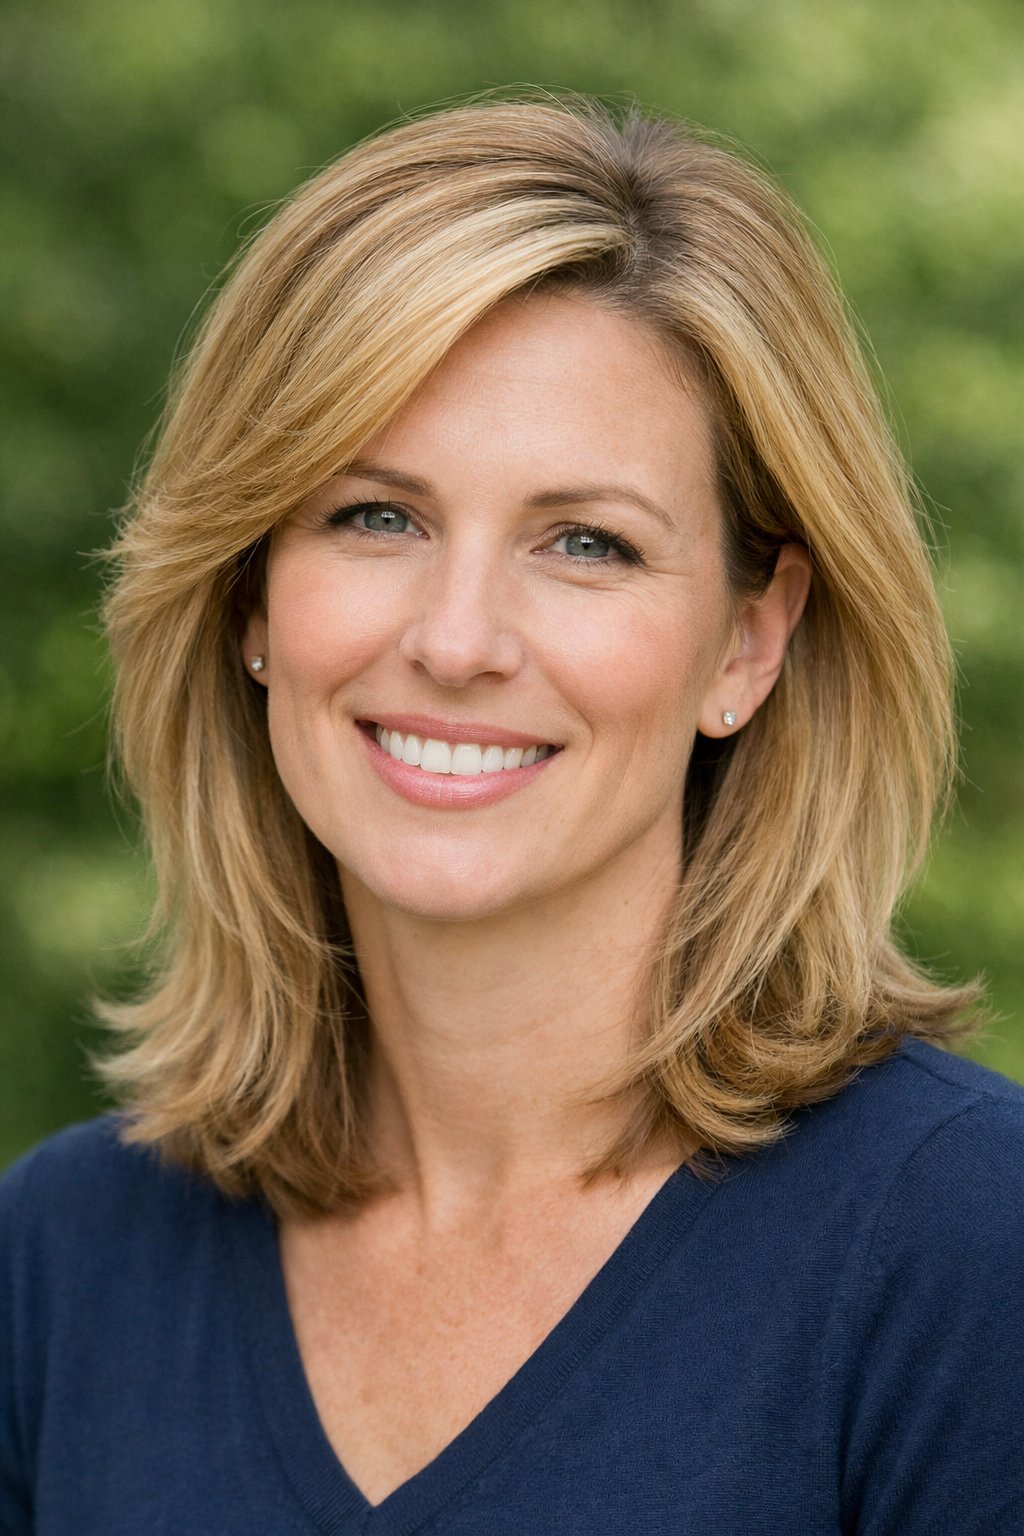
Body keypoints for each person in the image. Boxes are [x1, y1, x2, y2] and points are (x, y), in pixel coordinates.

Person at [2, 92, 1022, 1535]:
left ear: (749, 641)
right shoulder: (59, 1265)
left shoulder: (967, 1247)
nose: (458, 639)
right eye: (376, 516)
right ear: (249, 596)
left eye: (586, 542)